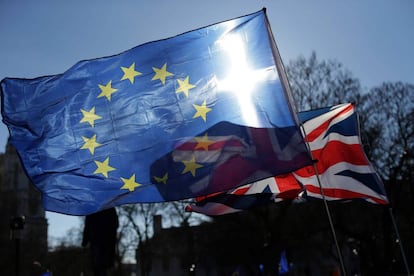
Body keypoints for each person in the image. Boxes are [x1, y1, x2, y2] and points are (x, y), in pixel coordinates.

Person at [82, 207, 119, 276]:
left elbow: (87, 226)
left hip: (97, 239)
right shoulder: (110, 207)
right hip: (107, 240)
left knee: (98, 264)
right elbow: (116, 224)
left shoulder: (92, 208)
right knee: (104, 264)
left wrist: (85, 242)